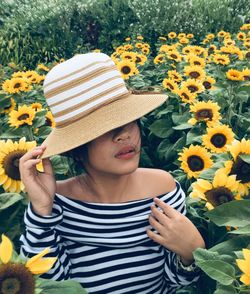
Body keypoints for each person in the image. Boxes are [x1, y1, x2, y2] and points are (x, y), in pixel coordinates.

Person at [19, 52, 205, 294]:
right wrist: (42, 212)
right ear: (76, 147)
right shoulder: (58, 203)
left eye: (128, 120)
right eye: (105, 128)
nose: (124, 135)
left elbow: (175, 284)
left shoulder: (163, 190)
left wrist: (191, 253)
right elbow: (49, 285)